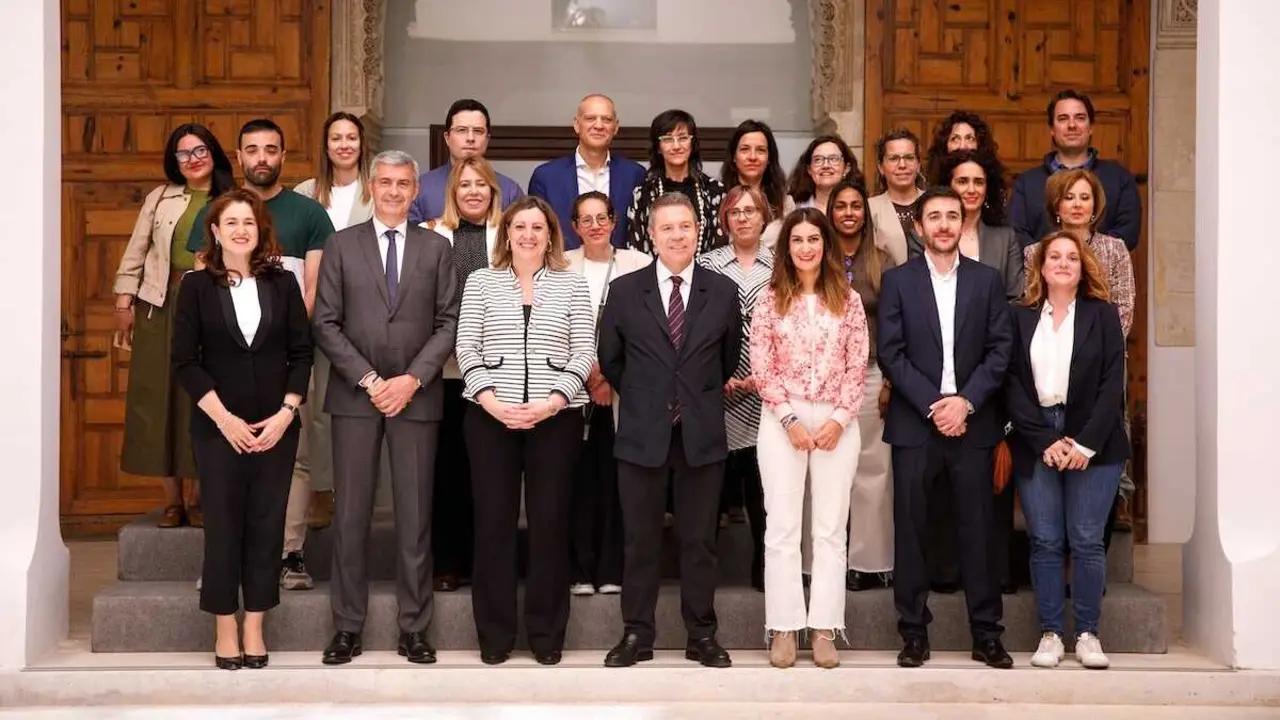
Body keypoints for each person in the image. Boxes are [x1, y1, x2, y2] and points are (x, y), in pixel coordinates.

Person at [313, 150, 459, 666]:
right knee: (350, 516)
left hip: (416, 398)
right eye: (386, 182)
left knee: (415, 517)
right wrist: (373, 380)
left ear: (416, 189)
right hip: (357, 396)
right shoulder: (341, 244)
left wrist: (411, 380)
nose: (395, 191)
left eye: (404, 183)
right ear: (372, 187)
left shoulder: (436, 248)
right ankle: (347, 628)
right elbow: (325, 323)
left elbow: (449, 322)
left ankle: (414, 629)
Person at [186, 118, 335, 589]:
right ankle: (224, 565)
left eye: (272, 149)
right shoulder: (216, 210)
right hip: (224, 367)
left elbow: (311, 287)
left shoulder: (308, 213)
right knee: (225, 461)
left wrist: (281, 341)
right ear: (240, 154)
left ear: (284, 156)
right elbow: (202, 287)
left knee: (294, 456)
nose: (262, 158)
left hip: (287, 359)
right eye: (253, 149)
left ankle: (288, 553)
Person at [171, 188, 313, 670]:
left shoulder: (283, 284)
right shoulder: (194, 285)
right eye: (230, 222)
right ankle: (224, 625)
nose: (240, 230)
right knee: (225, 525)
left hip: (276, 425)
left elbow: (302, 353)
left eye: (248, 222)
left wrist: (287, 412)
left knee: (266, 525)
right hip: (218, 427)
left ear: (260, 230)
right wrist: (224, 419)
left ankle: (255, 622)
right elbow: (185, 362)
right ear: (215, 231)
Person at [600, 193, 742, 669]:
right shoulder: (623, 291)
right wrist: (649, 396)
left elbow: (725, 360)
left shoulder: (721, 291)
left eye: (685, 227)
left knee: (699, 541)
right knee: (640, 540)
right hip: (643, 433)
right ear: (652, 235)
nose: (677, 236)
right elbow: (612, 360)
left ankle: (701, 634)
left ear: (698, 230)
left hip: (701, 435)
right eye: (667, 228)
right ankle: (637, 634)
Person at [455, 196, 596, 665]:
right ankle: (494, 637)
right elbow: (466, 348)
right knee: (493, 525)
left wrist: (552, 403)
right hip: (490, 418)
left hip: (555, 419)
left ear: (552, 234)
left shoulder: (573, 285)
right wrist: (493, 403)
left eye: (538, 227)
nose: (529, 235)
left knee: (549, 526)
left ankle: (546, 635)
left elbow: (583, 352)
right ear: (507, 233)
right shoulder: (481, 281)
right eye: (520, 227)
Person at [878, 186, 1014, 669]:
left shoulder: (987, 281)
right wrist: (936, 405)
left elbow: (1002, 350)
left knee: (977, 531)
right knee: (912, 531)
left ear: (964, 224)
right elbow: (890, 353)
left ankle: (986, 635)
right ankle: (913, 633)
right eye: (933, 216)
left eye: (951, 216)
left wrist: (967, 403)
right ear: (918, 227)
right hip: (916, 425)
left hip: (973, 426)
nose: (942, 225)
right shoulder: (898, 282)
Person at [750, 207, 869, 669]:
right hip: (784, 418)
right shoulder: (770, 297)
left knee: (830, 529)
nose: (805, 248)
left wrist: (839, 418)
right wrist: (789, 420)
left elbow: (858, 363)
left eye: (813, 240)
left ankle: (823, 627)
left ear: (826, 245)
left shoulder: (849, 299)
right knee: (781, 527)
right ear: (787, 248)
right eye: (797, 240)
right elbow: (763, 366)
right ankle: (782, 626)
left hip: (838, 421)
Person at [1007, 230, 1128, 670]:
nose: (1062, 263)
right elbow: (1013, 386)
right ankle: (1052, 633)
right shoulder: (1020, 317)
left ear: (1083, 267)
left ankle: (1087, 633)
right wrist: (1045, 440)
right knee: (1045, 540)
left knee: (1086, 540)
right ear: (1040, 267)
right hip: (1037, 434)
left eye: (1071, 258)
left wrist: (1083, 443)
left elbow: (1112, 385)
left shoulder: (1103, 315)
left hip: (1093, 440)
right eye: (1053, 256)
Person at [115, 123, 234, 528]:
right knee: (158, 399)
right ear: (174, 160)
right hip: (159, 306)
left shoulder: (231, 199)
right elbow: (137, 250)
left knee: (200, 398)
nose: (192, 159)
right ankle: (172, 501)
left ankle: (199, 497)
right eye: (183, 154)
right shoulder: (160, 198)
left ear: (214, 153)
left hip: (211, 307)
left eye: (199, 150)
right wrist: (123, 301)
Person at [920, 148, 1024, 596]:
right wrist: (941, 400)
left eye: (977, 182)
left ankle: (992, 585)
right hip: (930, 393)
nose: (969, 190)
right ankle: (943, 574)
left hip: (986, 385)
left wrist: (971, 395)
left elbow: (1013, 313)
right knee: (938, 495)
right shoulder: (917, 262)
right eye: (961, 182)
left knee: (987, 495)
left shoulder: (1002, 242)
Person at [280, 111, 377, 589]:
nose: (344, 144)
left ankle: (349, 503)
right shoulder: (303, 194)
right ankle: (315, 500)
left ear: (363, 144)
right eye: (335, 137)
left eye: (351, 137)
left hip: (364, 321)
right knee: (312, 414)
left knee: (355, 414)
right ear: (325, 144)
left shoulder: (377, 188)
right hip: (313, 321)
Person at [1024, 168, 1137, 553]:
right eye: (1069, 196)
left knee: (1097, 467)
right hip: (1048, 373)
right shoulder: (1034, 254)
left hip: (1100, 372)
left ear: (1095, 205)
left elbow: (1123, 308)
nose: (1077, 204)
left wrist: (1091, 352)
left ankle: (1092, 554)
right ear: (1056, 205)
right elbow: (1029, 309)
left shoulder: (1113, 249)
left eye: (1084, 197)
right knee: (1048, 526)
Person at [418, 155, 504, 594]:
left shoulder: (510, 235)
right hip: (444, 374)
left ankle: (483, 562)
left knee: (487, 472)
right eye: (464, 184)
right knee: (446, 469)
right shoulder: (432, 234)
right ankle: (447, 563)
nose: (473, 191)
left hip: (496, 373)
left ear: (493, 190)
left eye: (481, 184)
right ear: (452, 192)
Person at [565, 191, 653, 596]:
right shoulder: (561, 265)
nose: (596, 225)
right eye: (587, 219)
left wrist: (608, 378)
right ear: (575, 227)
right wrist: (586, 374)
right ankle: (580, 569)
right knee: (577, 482)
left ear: (615, 222)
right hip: (571, 391)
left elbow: (648, 332)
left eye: (603, 217)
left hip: (623, 390)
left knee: (619, 482)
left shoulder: (639, 263)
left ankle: (612, 569)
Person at [696, 185, 775, 593]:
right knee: (709, 497)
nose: (743, 218)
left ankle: (766, 577)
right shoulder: (706, 265)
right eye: (735, 212)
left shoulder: (782, 265)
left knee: (765, 496)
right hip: (717, 393)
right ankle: (705, 580)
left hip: (769, 395)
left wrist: (761, 377)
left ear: (765, 217)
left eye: (751, 210)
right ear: (724, 220)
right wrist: (718, 375)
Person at [825, 179, 897, 592]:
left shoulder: (882, 261)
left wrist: (888, 379)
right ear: (830, 212)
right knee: (824, 472)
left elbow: (890, 324)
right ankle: (819, 562)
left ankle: (869, 563)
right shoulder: (817, 254)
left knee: (872, 469)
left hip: (870, 373)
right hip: (820, 377)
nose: (849, 212)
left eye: (856, 206)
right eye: (841, 206)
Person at [1008, 89, 1142, 250]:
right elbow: (1016, 233)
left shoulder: (1119, 178)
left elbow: (1128, 232)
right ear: (1052, 129)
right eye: (1063, 119)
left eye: (1080, 118)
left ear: (1091, 127)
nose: (1072, 125)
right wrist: (1051, 259)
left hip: (1102, 273)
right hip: (1042, 272)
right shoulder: (1027, 183)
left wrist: (1084, 259)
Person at [529, 94, 646, 250]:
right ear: (577, 125)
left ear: (616, 127)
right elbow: (536, 233)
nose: (599, 125)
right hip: (562, 269)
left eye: (606, 119)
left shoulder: (635, 175)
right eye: (590, 118)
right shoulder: (546, 177)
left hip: (621, 270)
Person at [408, 98, 525, 224]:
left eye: (478, 131)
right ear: (447, 138)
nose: (470, 138)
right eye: (461, 130)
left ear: (487, 139)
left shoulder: (510, 191)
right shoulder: (421, 188)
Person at [626, 109, 725, 256]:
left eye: (683, 138)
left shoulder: (715, 191)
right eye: (667, 139)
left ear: (692, 143)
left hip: (705, 275)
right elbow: (635, 250)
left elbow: (720, 249)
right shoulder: (643, 194)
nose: (676, 146)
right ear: (658, 147)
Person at [720, 120, 793, 249]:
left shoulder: (785, 203)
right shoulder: (719, 198)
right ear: (734, 156)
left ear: (769, 158)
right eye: (745, 149)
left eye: (760, 150)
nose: (752, 157)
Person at [867, 129, 925, 267]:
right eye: (893, 159)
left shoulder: (935, 203)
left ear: (918, 165)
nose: (902, 165)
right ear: (881, 167)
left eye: (909, 157)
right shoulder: (869, 208)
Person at [923, 111, 1000, 189]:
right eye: (955, 139)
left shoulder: (994, 184)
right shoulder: (931, 186)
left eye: (969, 138)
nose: (962, 146)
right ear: (944, 145)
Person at [786, 134, 861, 213]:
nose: (826, 165)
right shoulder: (795, 208)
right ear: (809, 169)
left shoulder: (859, 209)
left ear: (846, 168)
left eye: (833, 159)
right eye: (818, 160)